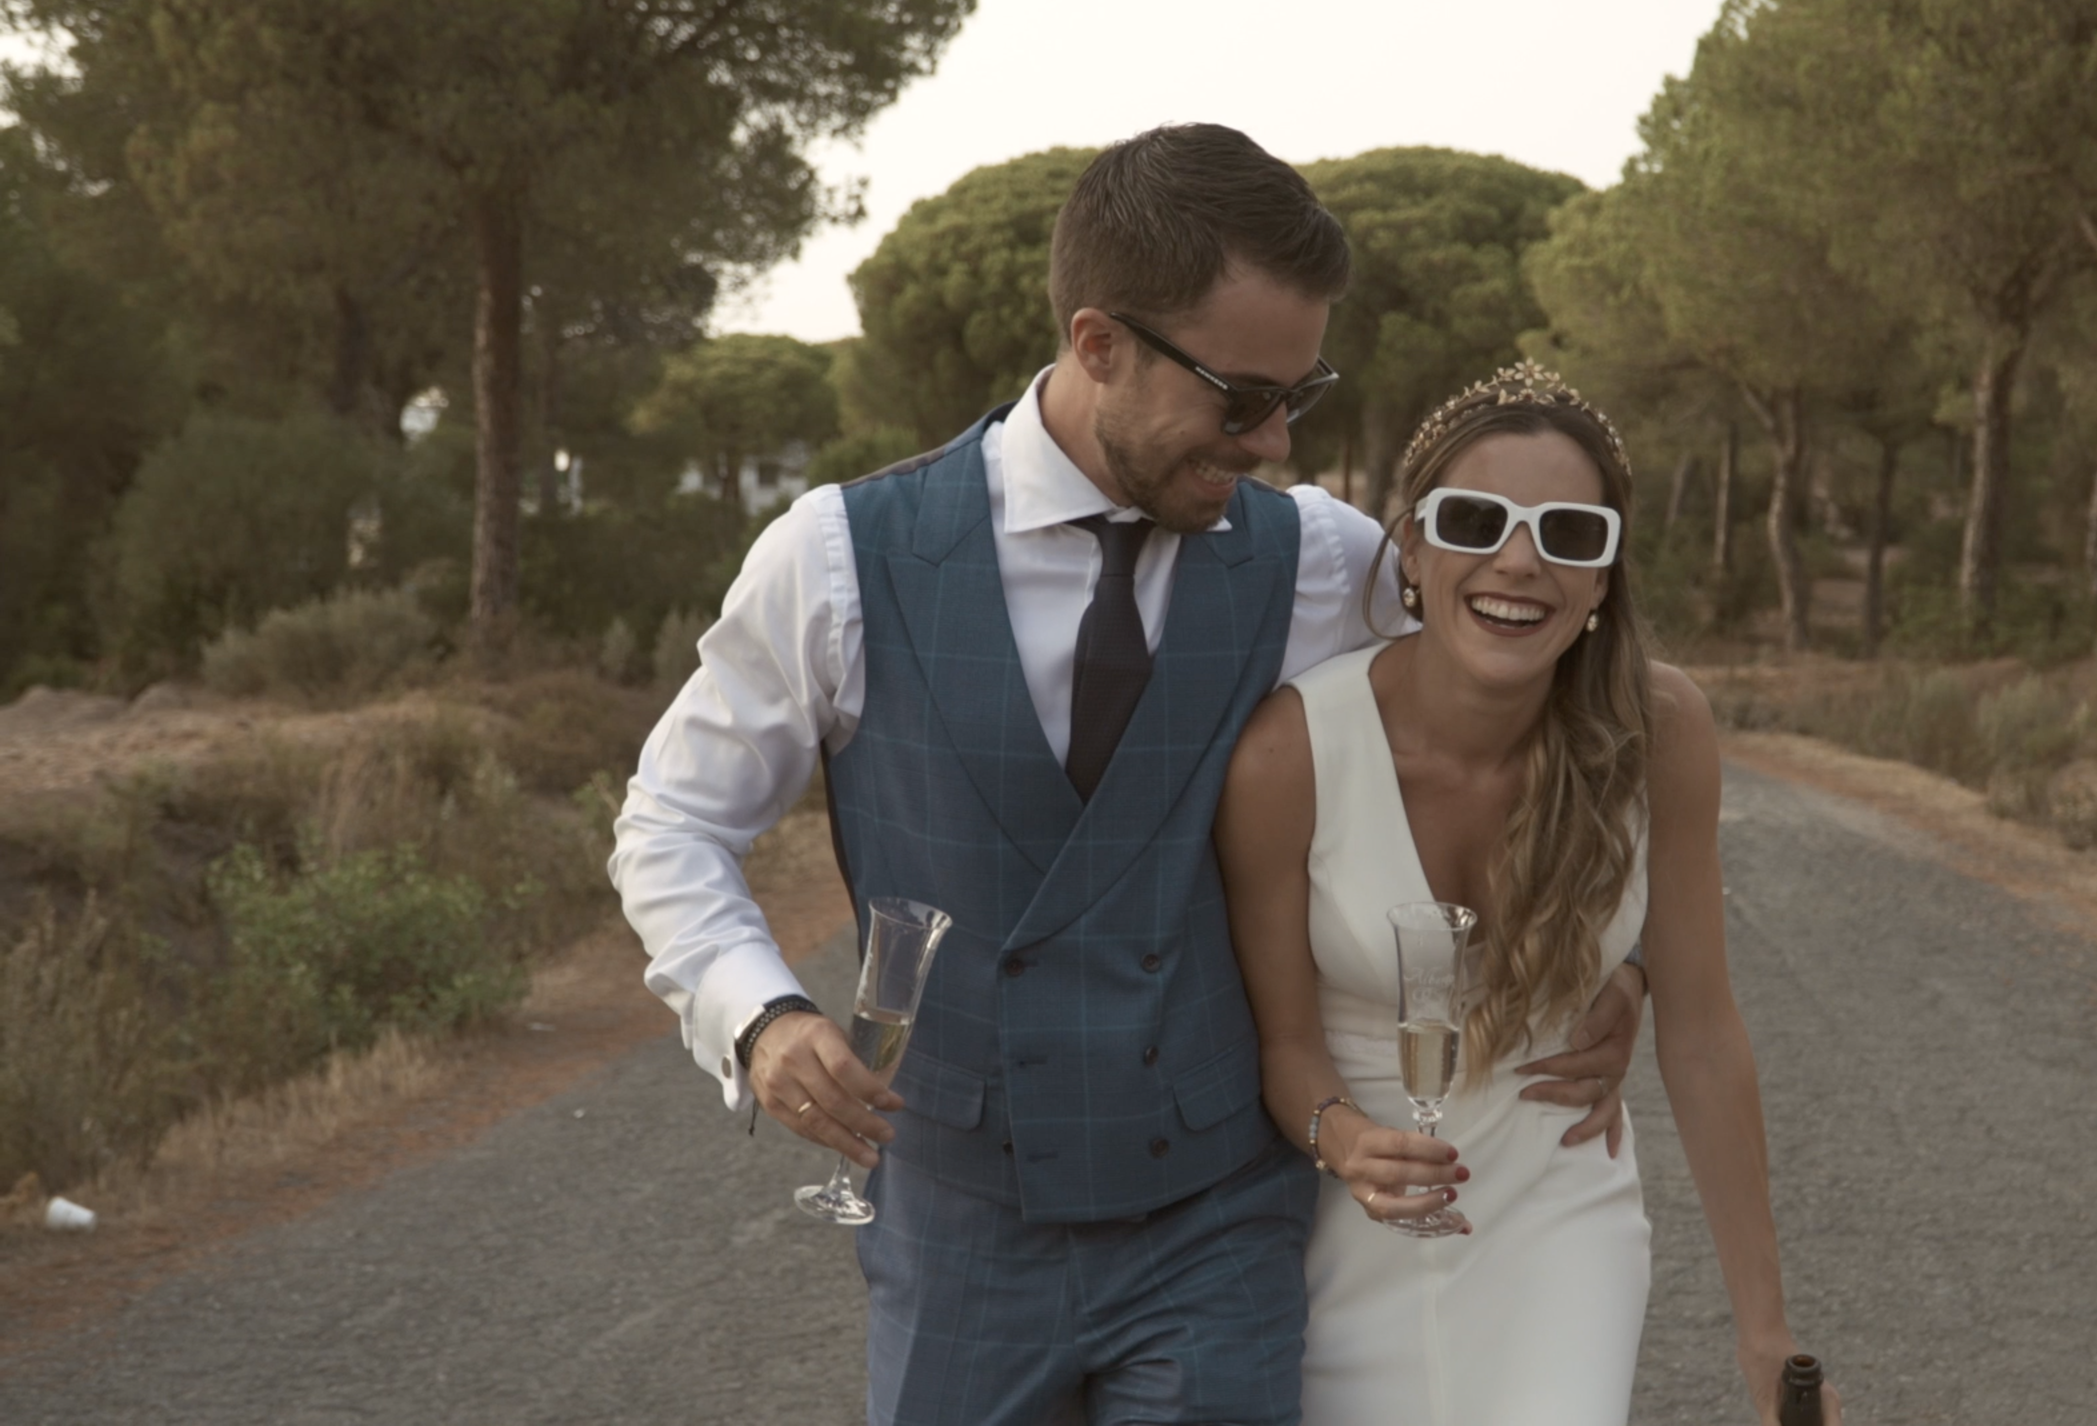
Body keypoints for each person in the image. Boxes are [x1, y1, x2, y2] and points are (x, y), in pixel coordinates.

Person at [608, 125, 1649, 1425]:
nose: (1273, 440)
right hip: (956, 1226)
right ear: (1098, 343)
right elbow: (673, 823)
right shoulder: (835, 559)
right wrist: (757, 1016)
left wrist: (1621, 959)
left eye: (1298, 398)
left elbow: (1564, 685)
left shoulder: (1321, 560)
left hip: (1220, 1221)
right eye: (1238, 397)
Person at [1216, 363, 1844, 1426]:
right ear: (1410, 549)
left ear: (1602, 580)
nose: (1520, 561)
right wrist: (1339, 1137)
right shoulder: (1292, 752)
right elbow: (1282, 1044)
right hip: (1344, 1220)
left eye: (1568, 534)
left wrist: (1766, 1331)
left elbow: (1700, 1030)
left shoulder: (1661, 731)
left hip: (1561, 1212)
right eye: (1475, 519)